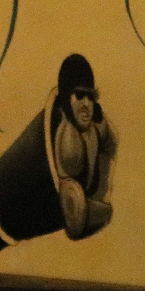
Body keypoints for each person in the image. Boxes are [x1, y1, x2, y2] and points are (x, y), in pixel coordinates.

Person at [51, 54, 116, 240]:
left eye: (91, 97)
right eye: (80, 96)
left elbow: (112, 142)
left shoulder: (99, 127)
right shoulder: (68, 144)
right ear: (66, 98)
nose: (87, 104)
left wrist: (103, 193)